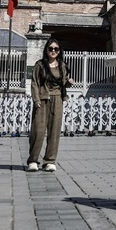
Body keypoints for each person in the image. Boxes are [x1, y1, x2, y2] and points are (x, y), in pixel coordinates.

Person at [28, 38, 74, 172]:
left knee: (54, 131)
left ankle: (49, 160)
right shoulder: (40, 65)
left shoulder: (63, 65)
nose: (53, 51)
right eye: (51, 49)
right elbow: (35, 84)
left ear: (59, 51)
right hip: (42, 100)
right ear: (46, 50)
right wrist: (36, 100)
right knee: (38, 131)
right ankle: (33, 160)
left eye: (56, 49)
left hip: (57, 99)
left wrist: (69, 83)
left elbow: (63, 83)